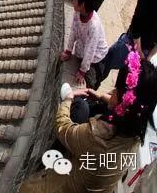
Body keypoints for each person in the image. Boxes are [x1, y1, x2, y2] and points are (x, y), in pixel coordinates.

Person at [20, 58, 157, 193]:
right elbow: (126, 107)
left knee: (80, 107)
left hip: (68, 184)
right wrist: (100, 96)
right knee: (86, 106)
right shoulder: (136, 133)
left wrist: (68, 98)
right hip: (96, 180)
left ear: (124, 103)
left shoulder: (97, 137)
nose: (113, 92)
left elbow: (62, 127)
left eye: (116, 90)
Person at [60, 0, 109, 87]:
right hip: (84, 45)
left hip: (96, 55)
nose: (72, 0)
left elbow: (90, 50)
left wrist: (82, 71)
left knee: (90, 80)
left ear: (82, 4)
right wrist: (68, 51)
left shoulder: (93, 26)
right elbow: (73, 31)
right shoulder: (78, 12)